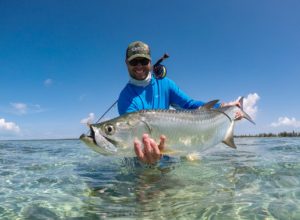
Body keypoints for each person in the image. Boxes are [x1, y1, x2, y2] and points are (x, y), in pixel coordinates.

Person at [118, 41, 241, 165]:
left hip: (169, 159)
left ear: (150, 62)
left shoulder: (165, 84)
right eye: (134, 62)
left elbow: (189, 104)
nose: (139, 66)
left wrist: (221, 107)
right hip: (140, 163)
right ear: (126, 63)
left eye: (143, 61)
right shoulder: (125, 98)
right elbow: (132, 139)